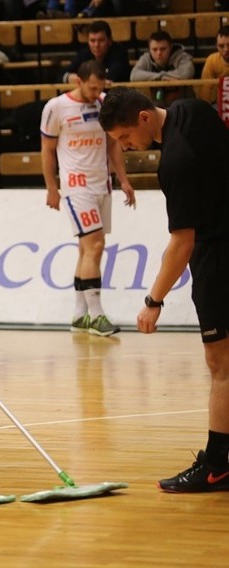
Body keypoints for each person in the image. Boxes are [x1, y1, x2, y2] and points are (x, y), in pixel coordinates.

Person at [99, 88, 229, 493]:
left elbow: (182, 243)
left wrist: (152, 301)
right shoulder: (192, 110)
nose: (128, 147)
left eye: (124, 138)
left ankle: (217, 465)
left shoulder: (174, 162)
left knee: (221, 366)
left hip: (217, 257)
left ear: (142, 118)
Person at [41, 60, 135, 336]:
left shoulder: (104, 103)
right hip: (75, 186)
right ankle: (96, 315)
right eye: (92, 88)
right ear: (77, 81)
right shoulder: (56, 108)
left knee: (86, 249)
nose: (97, 93)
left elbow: (113, 144)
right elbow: (46, 150)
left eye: (101, 88)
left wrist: (124, 178)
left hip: (102, 184)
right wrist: (51, 187)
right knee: (95, 245)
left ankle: (79, 315)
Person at [130, 31, 195, 107]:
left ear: (170, 47)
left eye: (163, 49)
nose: (158, 53)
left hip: (184, 106)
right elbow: (134, 75)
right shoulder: (146, 58)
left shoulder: (182, 56)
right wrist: (161, 77)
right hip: (156, 107)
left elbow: (186, 73)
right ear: (149, 49)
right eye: (154, 49)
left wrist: (157, 76)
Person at [62, 20, 130, 85]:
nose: (96, 45)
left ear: (110, 41)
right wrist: (68, 77)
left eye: (101, 40)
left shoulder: (119, 52)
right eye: (92, 41)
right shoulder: (84, 53)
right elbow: (62, 74)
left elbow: (113, 77)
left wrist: (84, 80)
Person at [198, 25, 229, 105]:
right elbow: (205, 90)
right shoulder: (212, 60)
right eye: (221, 46)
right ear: (216, 46)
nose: (226, 49)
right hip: (218, 105)